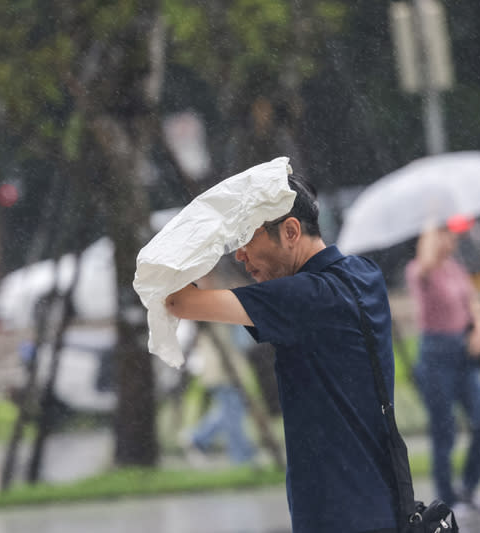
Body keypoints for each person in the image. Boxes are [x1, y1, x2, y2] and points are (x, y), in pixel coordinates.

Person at [166, 174, 399, 533]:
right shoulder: (365, 275)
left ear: (291, 231)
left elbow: (178, 300)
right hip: (385, 500)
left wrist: (200, 229)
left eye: (246, 239)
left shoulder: (303, 298)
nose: (240, 255)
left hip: (335, 512)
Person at [405, 215, 480, 512]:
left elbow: (474, 306)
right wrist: (430, 226)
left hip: (464, 354)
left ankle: (469, 487)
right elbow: (426, 264)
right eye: (443, 234)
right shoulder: (420, 272)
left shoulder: (457, 269)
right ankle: (446, 499)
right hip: (436, 355)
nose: (450, 239)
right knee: (444, 432)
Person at [182, 319, 257, 465]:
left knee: (230, 411)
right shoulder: (221, 314)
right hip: (224, 369)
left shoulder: (208, 314)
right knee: (233, 413)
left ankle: (198, 438)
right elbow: (243, 341)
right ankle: (241, 455)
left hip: (221, 368)